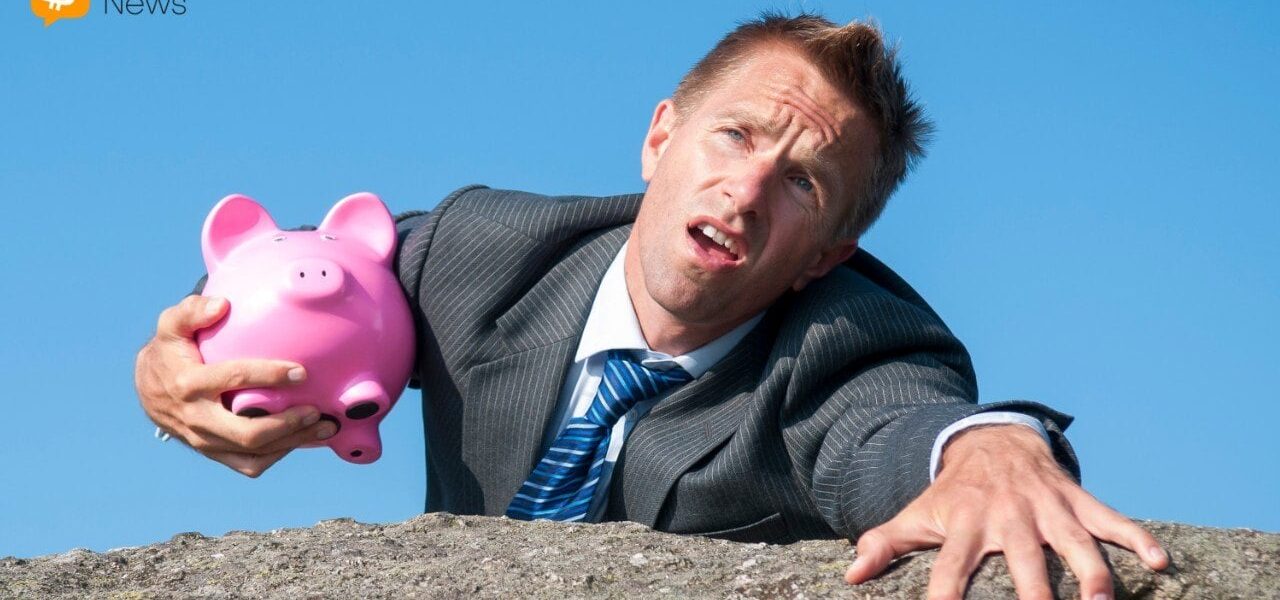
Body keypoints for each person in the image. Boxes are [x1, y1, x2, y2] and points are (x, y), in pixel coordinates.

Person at [135, 12, 1169, 600]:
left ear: (826, 256)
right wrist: (179, 362)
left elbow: (904, 425)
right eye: (734, 136)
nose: (746, 191)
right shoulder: (480, 250)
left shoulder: (851, 342)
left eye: (802, 183)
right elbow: (309, 272)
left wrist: (992, 452)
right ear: (659, 138)